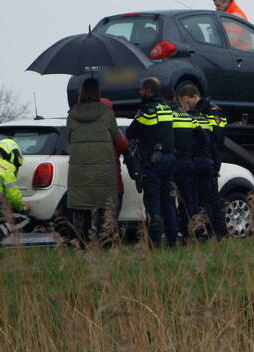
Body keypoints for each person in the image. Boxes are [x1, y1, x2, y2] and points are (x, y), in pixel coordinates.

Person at [66, 78, 128, 245]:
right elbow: (117, 138)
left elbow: (70, 139)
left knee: (81, 206)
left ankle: (83, 243)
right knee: (104, 206)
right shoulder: (107, 114)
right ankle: (105, 241)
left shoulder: (72, 114)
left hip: (80, 170)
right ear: (98, 93)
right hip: (103, 169)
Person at [126, 77, 178, 247]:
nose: (140, 93)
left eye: (142, 90)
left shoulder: (148, 110)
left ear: (148, 91)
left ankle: (154, 241)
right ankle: (172, 240)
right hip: (169, 160)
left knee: (153, 202)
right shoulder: (167, 109)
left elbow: (131, 132)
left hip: (153, 162)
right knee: (169, 202)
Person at [183, 84, 229, 239]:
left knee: (212, 198)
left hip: (210, 157)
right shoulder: (200, 111)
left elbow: (217, 138)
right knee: (203, 198)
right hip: (204, 157)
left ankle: (219, 232)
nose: (186, 106)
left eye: (187, 102)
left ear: (195, 97)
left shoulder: (212, 111)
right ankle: (208, 231)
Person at [171, 88, 200, 239]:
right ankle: (192, 232)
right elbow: (203, 139)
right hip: (189, 161)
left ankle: (179, 230)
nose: (187, 105)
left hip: (176, 161)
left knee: (173, 199)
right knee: (189, 200)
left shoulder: (171, 118)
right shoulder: (191, 118)